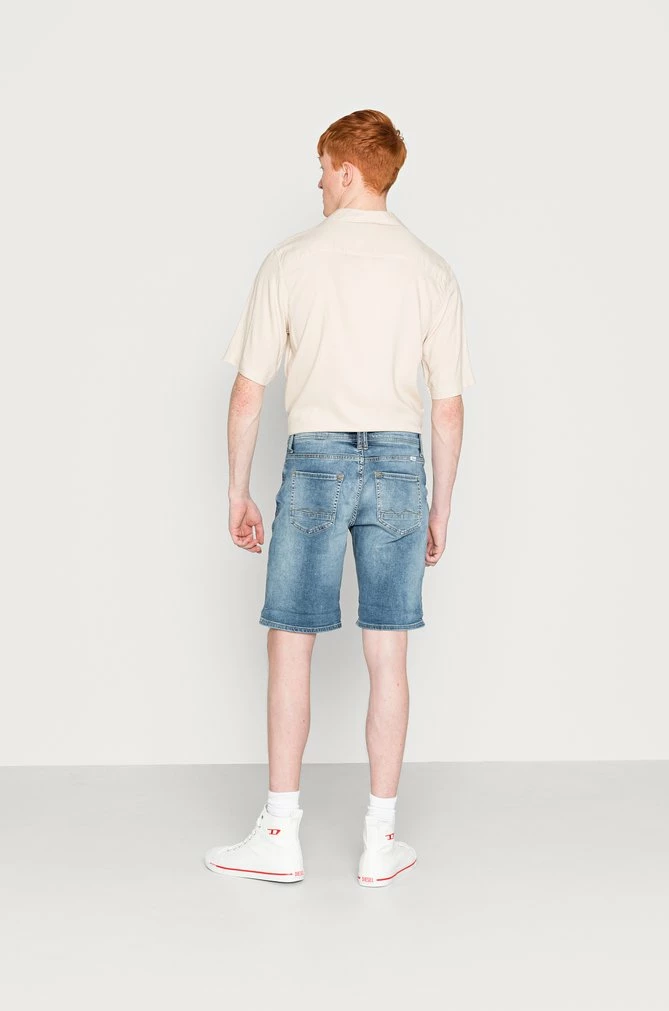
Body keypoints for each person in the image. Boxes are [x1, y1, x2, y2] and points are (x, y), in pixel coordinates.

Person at [204, 109, 475, 888]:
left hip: (316, 462)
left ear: (349, 171)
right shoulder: (431, 269)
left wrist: (237, 491)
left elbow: (249, 392)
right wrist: (441, 507)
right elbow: (448, 409)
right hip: (400, 464)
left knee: (291, 642)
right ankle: (381, 840)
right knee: (389, 652)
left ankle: (280, 834)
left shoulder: (291, 261)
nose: (317, 183)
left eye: (323, 169)